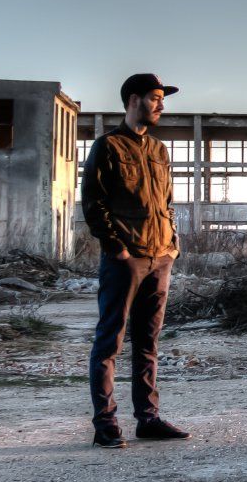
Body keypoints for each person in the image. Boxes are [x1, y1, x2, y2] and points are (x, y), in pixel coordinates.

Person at [79, 74, 191, 448]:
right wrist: (117, 248)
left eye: (162, 99)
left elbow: (168, 203)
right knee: (110, 341)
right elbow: (93, 204)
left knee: (148, 342)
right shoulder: (107, 146)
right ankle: (105, 424)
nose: (161, 105)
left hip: (160, 257)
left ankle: (148, 418)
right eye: (156, 98)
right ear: (133, 100)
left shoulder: (159, 150)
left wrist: (172, 245)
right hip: (126, 260)